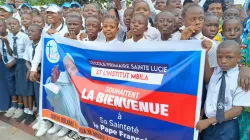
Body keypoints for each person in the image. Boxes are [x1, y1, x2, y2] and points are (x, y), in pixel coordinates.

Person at [197, 40, 250, 140]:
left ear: (239, 58)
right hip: (208, 126)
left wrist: (208, 121)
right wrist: (205, 53)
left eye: (229, 57)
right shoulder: (215, 71)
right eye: (219, 57)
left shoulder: (242, 78)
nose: (223, 61)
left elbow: (236, 110)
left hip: (227, 127)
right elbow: (208, 85)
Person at [30, 4, 68, 137]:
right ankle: (46, 120)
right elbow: (39, 49)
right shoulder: (45, 30)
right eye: (47, 13)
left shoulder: (67, 30)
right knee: (48, 95)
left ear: (61, 15)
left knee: (61, 97)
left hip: (63, 72)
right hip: (47, 69)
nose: (49, 15)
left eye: (52, 13)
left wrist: (56, 34)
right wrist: (34, 68)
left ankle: (62, 124)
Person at [44, 54, 89, 133]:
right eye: (67, 67)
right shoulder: (59, 78)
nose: (69, 70)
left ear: (77, 69)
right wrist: (53, 82)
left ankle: (73, 129)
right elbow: (53, 97)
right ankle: (59, 125)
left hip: (75, 117)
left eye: (73, 68)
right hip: (61, 115)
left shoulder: (79, 80)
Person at [5, 18, 31, 119]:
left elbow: (28, 51)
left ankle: (26, 109)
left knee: (25, 87)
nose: (12, 26)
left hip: (24, 63)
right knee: (18, 85)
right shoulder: (9, 37)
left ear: (19, 25)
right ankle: (19, 107)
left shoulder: (24, 37)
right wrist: (7, 44)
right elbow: (11, 53)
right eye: (9, 24)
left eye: (14, 24)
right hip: (16, 62)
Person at [18, 24, 42, 125]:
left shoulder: (42, 45)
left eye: (33, 31)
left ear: (40, 34)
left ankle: (41, 115)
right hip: (32, 71)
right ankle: (30, 113)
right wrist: (31, 70)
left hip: (39, 72)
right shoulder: (29, 46)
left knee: (39, 94)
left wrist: (36, 70)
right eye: (29, 31)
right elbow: (26, 61)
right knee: (30, 92)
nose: (30, 33)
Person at [0, 19, 13, 112]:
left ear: (6, 26)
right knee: (2, 85)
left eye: (0, 25)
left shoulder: (12, 36)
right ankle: (3, 106)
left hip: (11, 64)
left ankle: (12, 106)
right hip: (2, 63)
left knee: (10, 85)